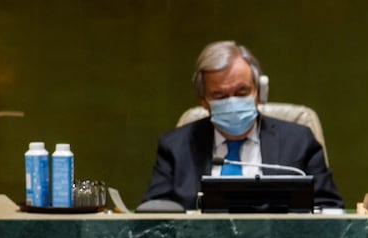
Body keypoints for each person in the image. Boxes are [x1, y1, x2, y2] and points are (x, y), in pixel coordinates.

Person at [141, 40, 343, 210]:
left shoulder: (299, 142)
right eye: (219, 95)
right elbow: (154, 214)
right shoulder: (176, 147)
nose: (232, 102)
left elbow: (330, 209)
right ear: (203, 101)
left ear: (258, 93)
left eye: (241, 92)